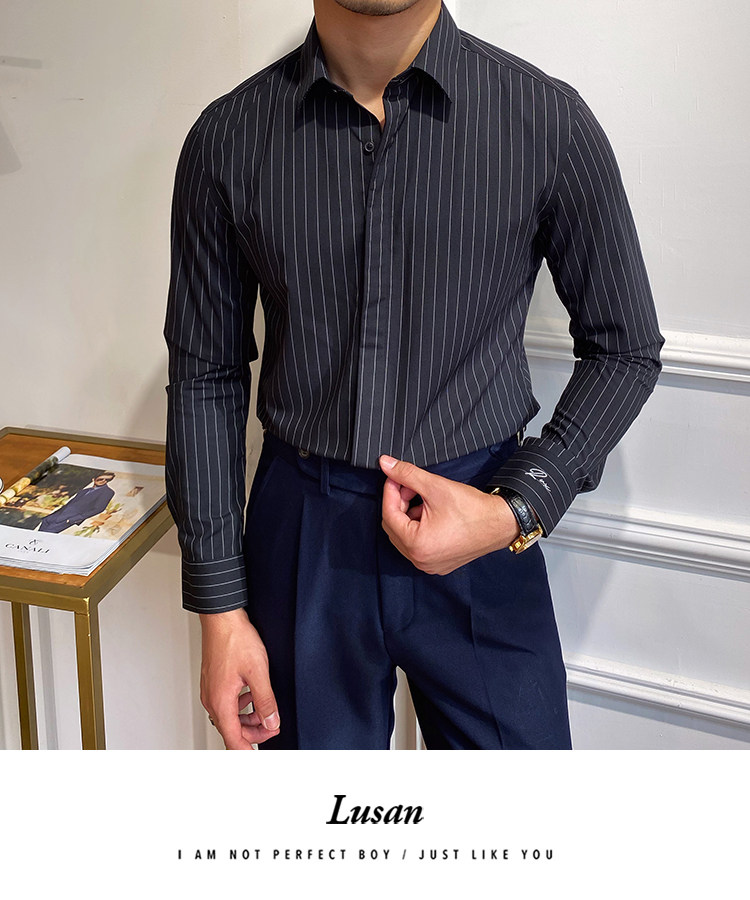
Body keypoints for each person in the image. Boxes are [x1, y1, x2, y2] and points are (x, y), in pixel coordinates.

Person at [164, 0, 663, 750]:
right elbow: (206, 372)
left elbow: (625, 347)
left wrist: (514, 509)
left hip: (482, 512)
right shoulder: (228, 139)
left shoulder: (546, 121)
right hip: (303, 531)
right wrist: (220, 607)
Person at [37, 473, 116, 534]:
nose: (104, 481)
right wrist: (55, 513)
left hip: (68, 518)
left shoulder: (108, 492)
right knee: (39, 532)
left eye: (107, 480)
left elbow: (98, 509)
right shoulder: (85, 490)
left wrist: (74, 519)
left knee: (47, 534)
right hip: (56, 515)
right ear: (94, 479)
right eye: (101, 479)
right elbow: (71, 503)